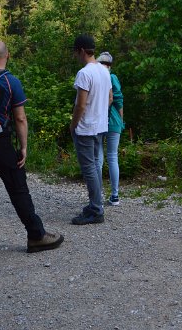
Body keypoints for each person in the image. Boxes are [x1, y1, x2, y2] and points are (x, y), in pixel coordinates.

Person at [0, 41, 63, 264]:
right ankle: (36, 236)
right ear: (7, 55)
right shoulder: (10, 81)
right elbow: (20, 118)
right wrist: (23, 147)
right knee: (18, 188)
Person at [70, 33, 112, 225]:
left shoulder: (84, 73)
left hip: (86, 128)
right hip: (100, 126)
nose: (75, 56)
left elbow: (80, 104)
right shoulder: (104, 71)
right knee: (95, 166)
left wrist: (73, 124)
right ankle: (96, 204)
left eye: (75, 52)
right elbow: (110, 98)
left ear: (81, 51)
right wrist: (99, 112)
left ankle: (96, 209)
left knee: (89, 169)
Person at [96, 52, 124, 206]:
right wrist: (121, 119)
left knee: (98, 159)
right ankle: (114, 195)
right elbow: (118, 100)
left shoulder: (96, 78)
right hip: (113, 121)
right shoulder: (112, 77)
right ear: (110, 65)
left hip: (98, 121)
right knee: (112, 156)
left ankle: (97, 196)